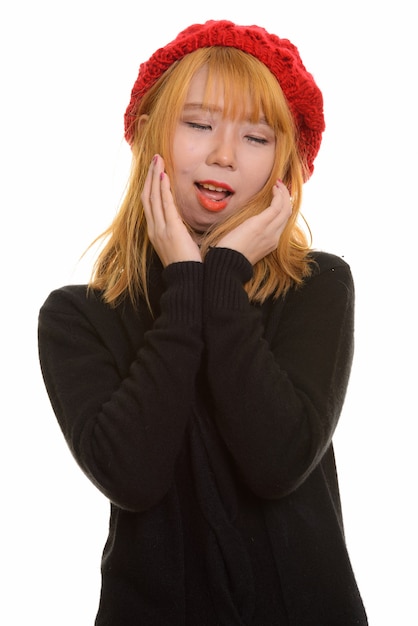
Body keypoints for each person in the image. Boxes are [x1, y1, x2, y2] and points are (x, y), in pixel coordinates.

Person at [38, 19, 368, 625]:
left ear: (285, 166)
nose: (223, 154)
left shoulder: (318, 285)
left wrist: (223, 277)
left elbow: (278, 463)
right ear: (147, 136)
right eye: (198, 124)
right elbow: (130, 475)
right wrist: (186, 284)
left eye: (256, 137)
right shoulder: (76, 318)